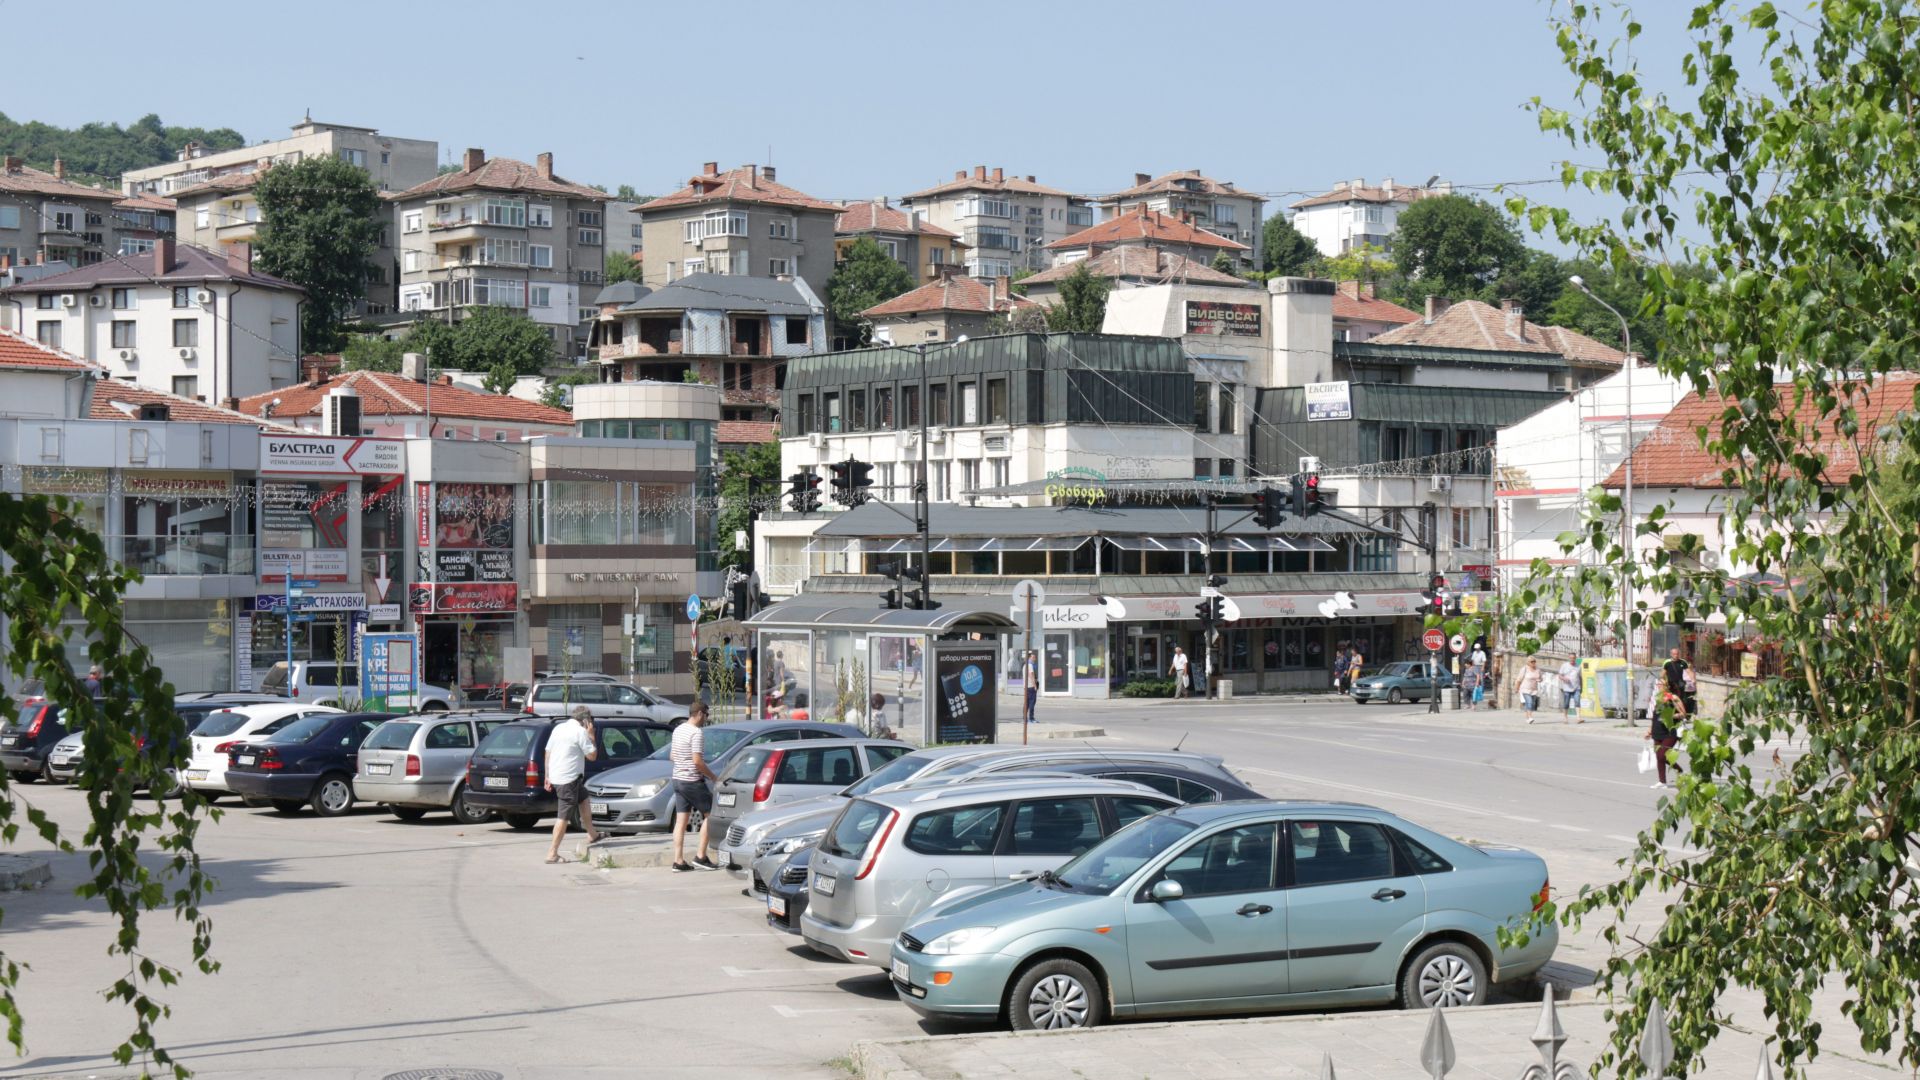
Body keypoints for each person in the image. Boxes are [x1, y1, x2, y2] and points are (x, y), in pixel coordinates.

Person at [543, 706, 601, 864]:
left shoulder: (558, 728)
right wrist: (591, 736)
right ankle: (552, 853)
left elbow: (548, 752)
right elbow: (592, 756)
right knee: (563, 816)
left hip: (560, 777)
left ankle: (592, 834)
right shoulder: (581, 732)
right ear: (585, 721)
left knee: (583, 798)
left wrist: (547, 776)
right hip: (568, 780)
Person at [669, 701, 720, 872]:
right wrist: (713, 777)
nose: (707, 718)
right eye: (706, 714)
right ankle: (701, 856)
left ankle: (678, 860)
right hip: (692, 780)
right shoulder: (696, 733)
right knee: (711, 814)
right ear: (699, 713)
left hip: (677, 779)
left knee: (681, 821)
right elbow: (697, 761)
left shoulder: (678, 730)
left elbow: (672, 756)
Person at [1647, 687, 1686, 788]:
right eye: (1658, 684)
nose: (1659, 686)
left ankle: (1678, 770)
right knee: (1660, 757)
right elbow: (1654, 717)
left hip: (1670, 732)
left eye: (1662, 683)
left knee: (1662, 755)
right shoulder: (1659, 699)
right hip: (1657, 732)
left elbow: (1683, 714)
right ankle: (1662, 782)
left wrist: (1671, 716)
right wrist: (1649, 731)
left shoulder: (1673, 698)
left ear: (1668, 685)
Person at [1665, 647, 1698, 718]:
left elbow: (1689, 671)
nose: (1676, 656)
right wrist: (1664, 683)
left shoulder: (1683, 662)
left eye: (1677, 654)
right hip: (1670, 686)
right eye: (1674, 654)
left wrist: (1693, 680)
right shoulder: (1667, 663)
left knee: (1680, 700)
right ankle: (1672, 715)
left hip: (1680, 685)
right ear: (1671, 654)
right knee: (1670, 700)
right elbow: (1662, 675)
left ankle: (1681, 715)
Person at [1516, 657, 1543, 724]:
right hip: (1525, 689)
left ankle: (1527, 718)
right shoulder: (1524, 669)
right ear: (1528, 662)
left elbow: (1541, 678)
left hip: (1534, 690)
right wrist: (1517, 688)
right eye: (1531, 661)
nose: (1533, 662)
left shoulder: (1537, 669)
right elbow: (1519, 679)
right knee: (1529, 702)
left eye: (1534, 661)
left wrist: (1539, 680)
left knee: (1531, 704)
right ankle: (1530, 717)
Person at [1558, 658, 1582, 724]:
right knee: (1566, 703)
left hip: (1576, 687)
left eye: (1573, 658)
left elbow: (1580, 677)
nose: (1572, 659)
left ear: (1575, 659)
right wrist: (1564, 678)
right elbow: (1560, 675)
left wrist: (1581, 687)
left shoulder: (1578, 666)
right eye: (1571, 658)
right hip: (1567, 688)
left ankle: (1578, 718)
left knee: (1577, 701)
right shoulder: (1564, 665)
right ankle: (1565, 718)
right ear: (1569, 658)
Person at [1021, 650, 1039, 723]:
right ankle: (1031, 718)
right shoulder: (1030, 665)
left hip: (1026, 687)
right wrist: (1035, 685)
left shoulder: (1025, 665)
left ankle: (1024, 719)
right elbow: (1031, 675)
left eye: (1035, 657)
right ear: (1029, 658)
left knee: (1026, 703)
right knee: (1032, 702)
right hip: (1031, 686)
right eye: (1033, 657)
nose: (1035, 659)